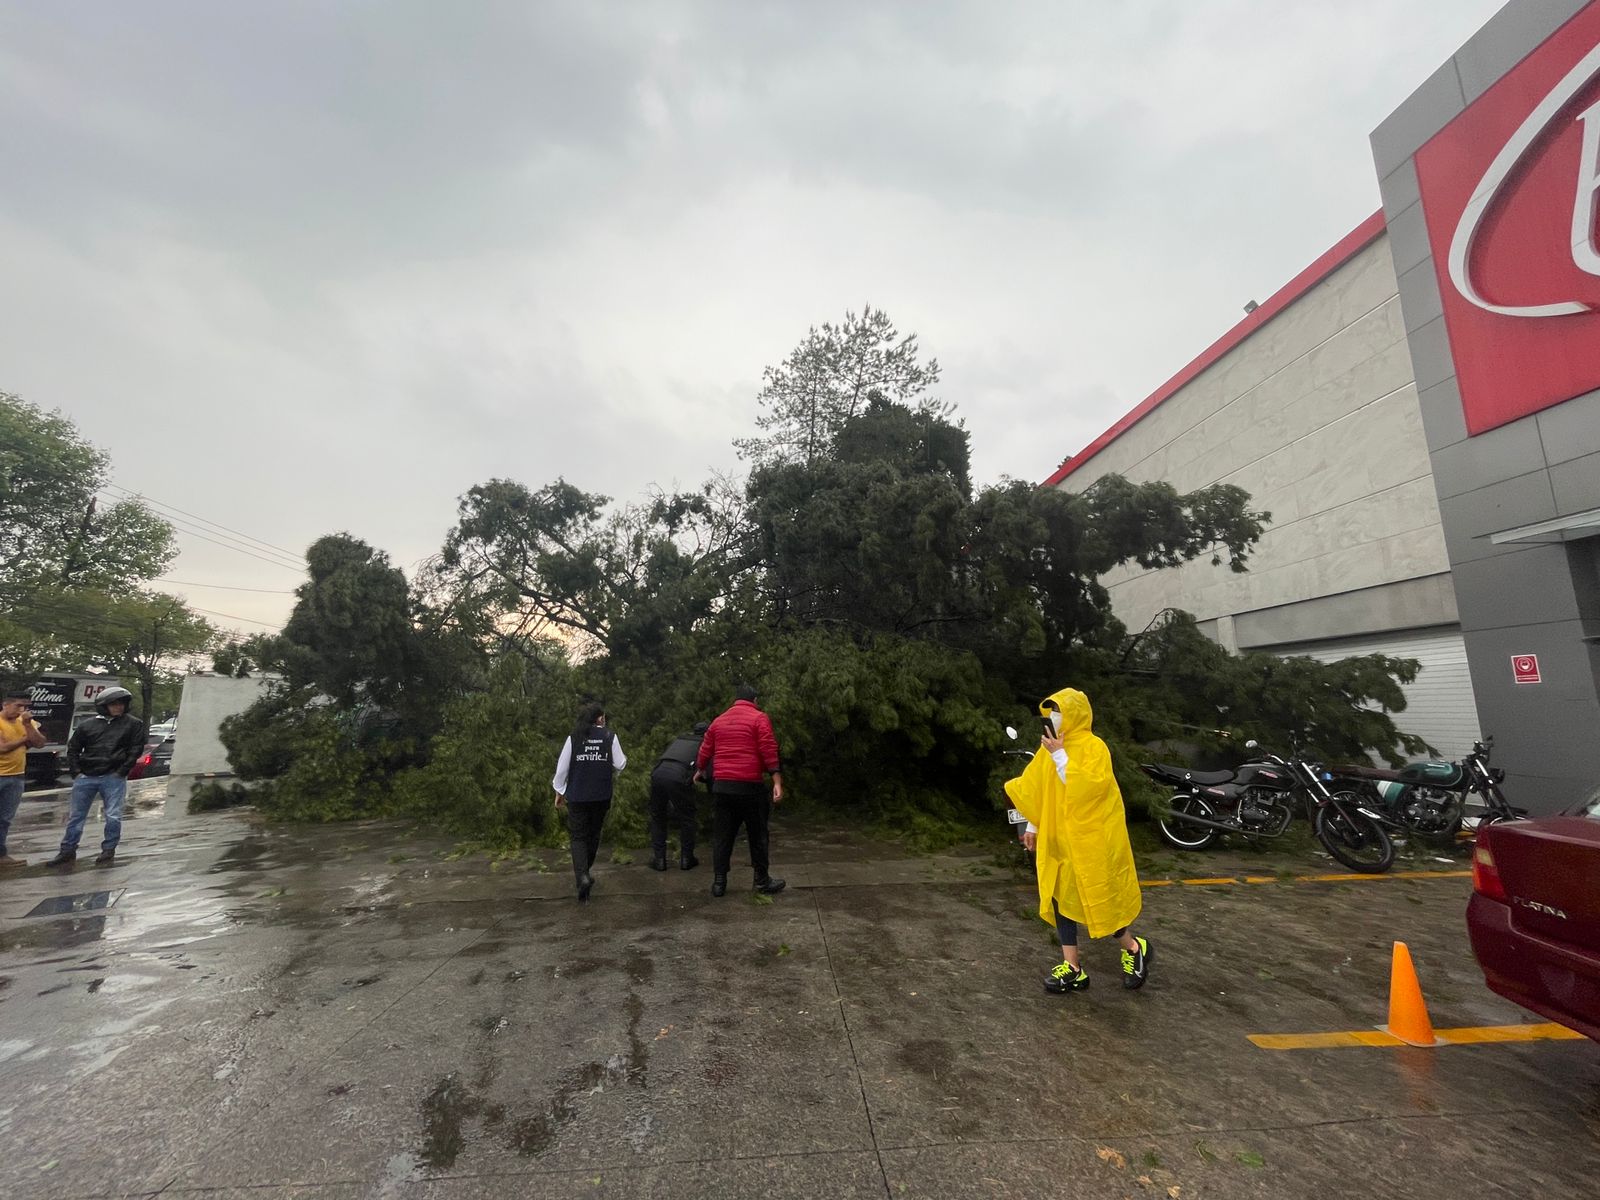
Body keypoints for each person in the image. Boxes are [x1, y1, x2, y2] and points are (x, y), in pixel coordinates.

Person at [1005, 687, 1151, 994]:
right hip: (1059, 838)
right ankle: (1072, 967)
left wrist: (1059, 754)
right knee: (1061, 897)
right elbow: (1039, 789)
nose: (1054, 718)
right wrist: (1033, 824)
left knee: (1096, 899)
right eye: (1050, 713)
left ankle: (1134, 947)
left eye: (1058, 712)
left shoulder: (1093, 747)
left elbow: (1088, 788)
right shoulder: (1050, 748)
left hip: (1091, 840)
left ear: (1075, 714)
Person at [696, 684, 785, 898]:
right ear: (754, 700)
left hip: (723, 787)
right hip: (749, 787)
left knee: (722, 836)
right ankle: (762, 882)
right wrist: (776, 780)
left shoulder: (718, 721)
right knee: (758, 835)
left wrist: (699, 769)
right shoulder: (758, 718)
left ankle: (719, 883)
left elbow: (705, 749)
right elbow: (768, 748)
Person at [47, 685, 145, 868]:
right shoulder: (87, 725)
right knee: (76, 816)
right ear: (104, 705)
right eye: (114, 704)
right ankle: (67, 850)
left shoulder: (133, 724)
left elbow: (135, 749)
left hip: (113, 776)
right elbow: (74, 748)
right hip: (87, 776)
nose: (119, 707)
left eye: (121, 703)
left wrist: (122, 771)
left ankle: (108, 850)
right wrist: (77, 772)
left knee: (113, 815)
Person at [551, 702, 626, 902]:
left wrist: (559, 791)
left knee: (578, 837)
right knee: (593, 834)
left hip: (577, 796)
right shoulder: (609, 736)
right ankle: (585, 873)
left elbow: (562, 768)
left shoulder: (574, 737)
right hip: (601, 795)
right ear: (600, 719)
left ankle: (582, 876)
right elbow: (620, 763)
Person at [649, 720, 709, 872]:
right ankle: (686, 859)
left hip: (658, 774)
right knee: (687, 818)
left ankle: (659, 860)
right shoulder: (706, 744)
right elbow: (706, 771)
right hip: (678, 777)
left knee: (658, 816)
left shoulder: (681, 739)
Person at [1, 689, 49, 868]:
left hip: (16, 776)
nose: (21, 710)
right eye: (18, 705)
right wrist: (23, 739)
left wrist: (28, 726)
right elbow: (3, 748)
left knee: (5, 818)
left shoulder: (27, 722)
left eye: (25, 706)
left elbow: (39, 743)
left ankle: (1, 854)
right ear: (5, 705)